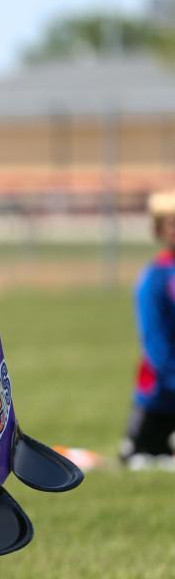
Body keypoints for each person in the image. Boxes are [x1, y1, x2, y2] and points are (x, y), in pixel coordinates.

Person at [119, 189, 175, 470]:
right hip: (160, 393)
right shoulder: (155, 278)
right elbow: (155, 342)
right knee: (140, 456)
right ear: (159, 230)